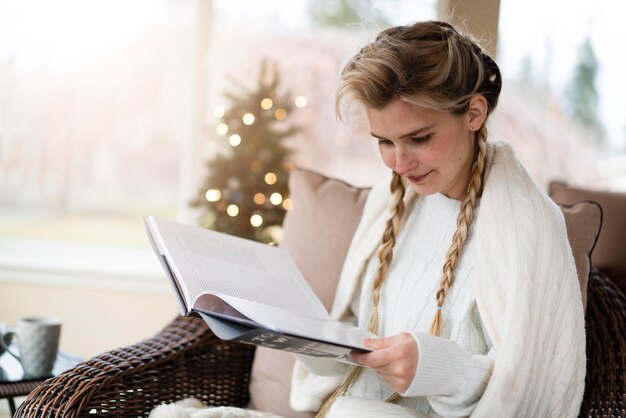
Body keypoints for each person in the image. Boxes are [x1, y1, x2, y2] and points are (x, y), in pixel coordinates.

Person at [289, 21, 586, 417]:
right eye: (384, 142)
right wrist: (295, 333)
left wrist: (436, 367)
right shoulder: (390, 201)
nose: (399, 163)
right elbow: (357, 335)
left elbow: (532, 390)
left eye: (420, 138)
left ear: (474, 113)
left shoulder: (525, 226)